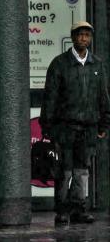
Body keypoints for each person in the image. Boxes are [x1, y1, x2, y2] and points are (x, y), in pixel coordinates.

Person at [40, 21, 110, 225]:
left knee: (82, 170)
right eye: (80, 34)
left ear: (91, 38)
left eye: (87, 35)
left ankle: (79, 208)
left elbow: (103, 96)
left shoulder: (96, 64)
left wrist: (104, 124)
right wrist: (48, 126)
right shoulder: (60, 63)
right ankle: (62, 210)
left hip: (88, 127)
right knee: (64, 170)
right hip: (64, 127)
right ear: (73, 37)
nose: (83, 38)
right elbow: (50, 97)